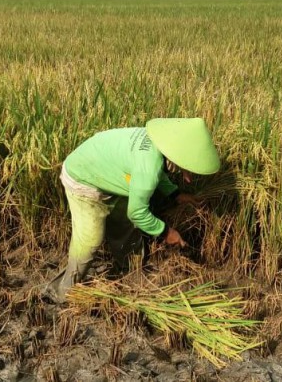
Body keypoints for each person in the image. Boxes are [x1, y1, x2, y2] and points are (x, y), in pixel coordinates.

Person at [44, 117, 221, 303]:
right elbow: (137, 211)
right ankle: (62, 292)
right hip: (83, 178)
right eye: (188, 170)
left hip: (106, 169)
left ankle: (129, 270)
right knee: (90, 240)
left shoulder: (158, 144)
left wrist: (175, 194)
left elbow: (154, 172)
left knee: (123, 223)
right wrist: (166, 232)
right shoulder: (149, 167)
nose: (189, 179)